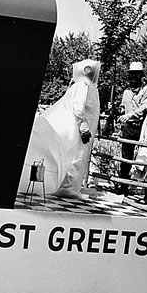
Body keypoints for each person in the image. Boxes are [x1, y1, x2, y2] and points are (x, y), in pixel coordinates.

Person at [53, 59, 101, 200]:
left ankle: (75, 186)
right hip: (81, 129)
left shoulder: (91, 87)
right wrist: (83, 126)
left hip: (87, 129)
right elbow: (78, 108)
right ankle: (68, 187)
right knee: (77, 157)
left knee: (81, 157)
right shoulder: (82, 86)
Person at [116, 62, 147, 195]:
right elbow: (123, 107)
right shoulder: (126, 91)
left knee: (143, 158)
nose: (133, 77)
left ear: (141, 75)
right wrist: (118, 111)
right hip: (128, 127)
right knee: (125, 158)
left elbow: (143, 108)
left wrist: (129, 115)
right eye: (131, 74)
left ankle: (145, 189)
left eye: (136, 74)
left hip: (141, 127)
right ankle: (124, 186)